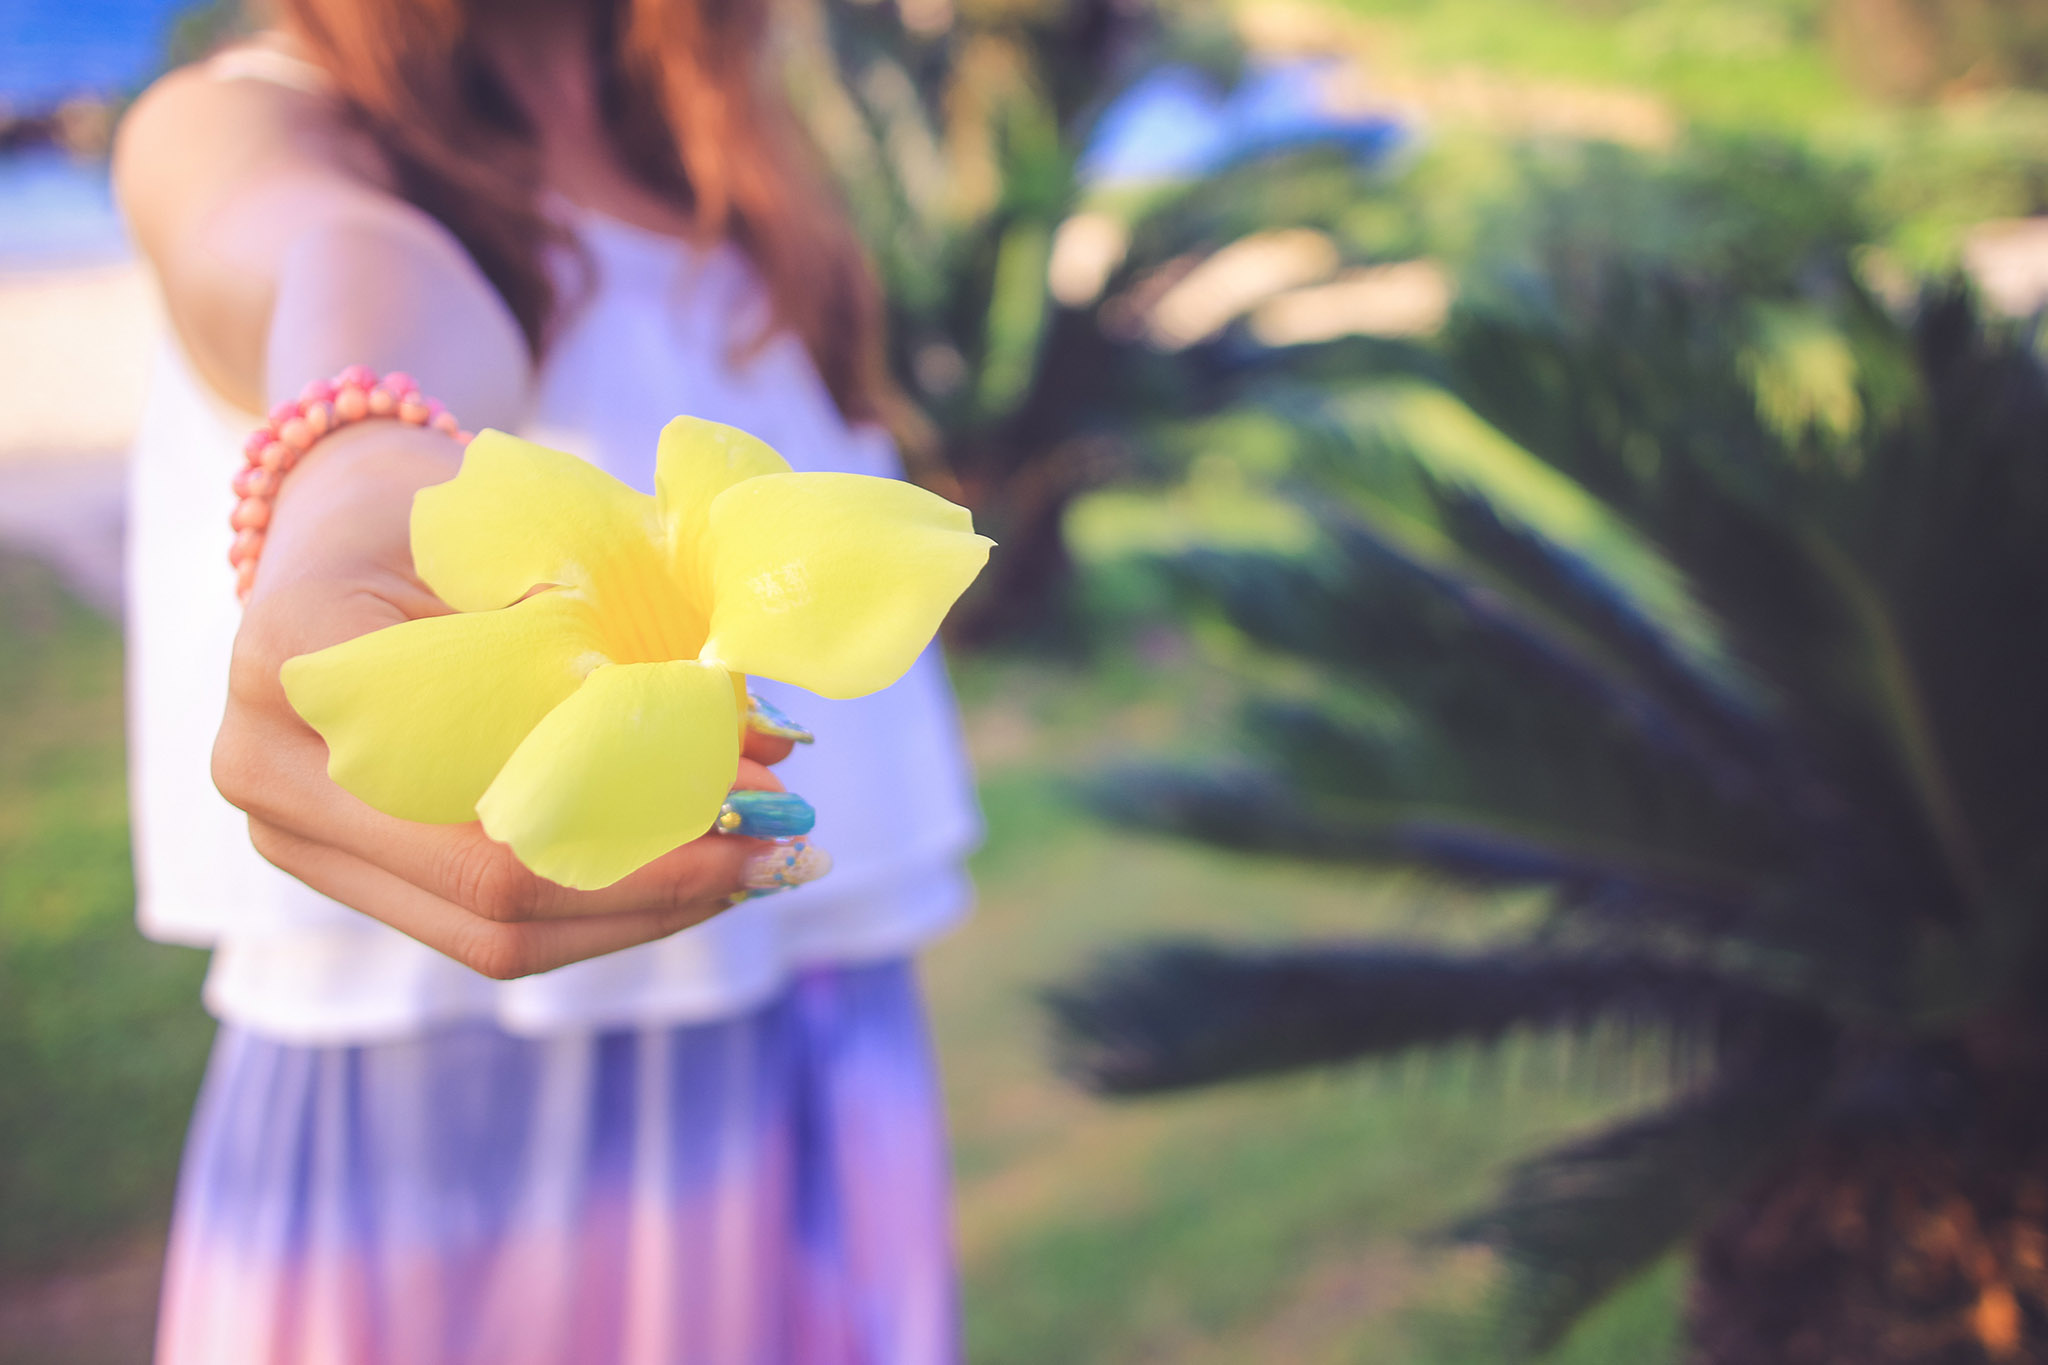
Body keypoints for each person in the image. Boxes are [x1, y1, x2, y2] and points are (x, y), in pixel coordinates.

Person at [114, 2, 981, 1360]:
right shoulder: (238, 115)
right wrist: (362, 466)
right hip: (454, 1082)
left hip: (811, 1015)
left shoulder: (716, 144)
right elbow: (325, 251)